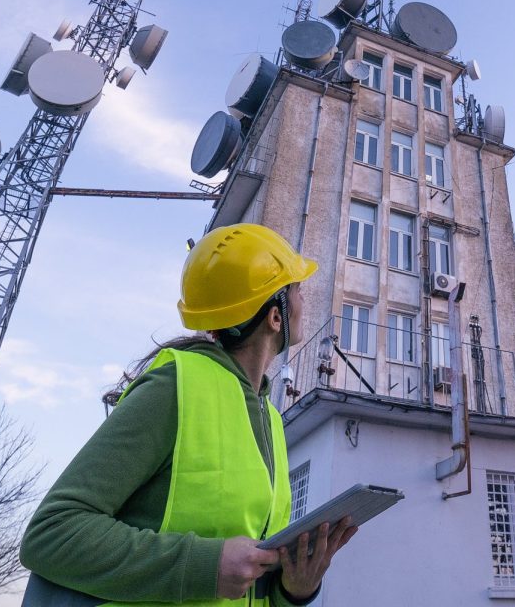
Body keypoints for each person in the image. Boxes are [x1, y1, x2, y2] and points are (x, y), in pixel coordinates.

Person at [20, 223, 356, 606]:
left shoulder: (271, 421)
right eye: (297, 290)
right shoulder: (174, 388)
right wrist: (204, 566)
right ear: (274, 317)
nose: (303, 301)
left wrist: (294, 590)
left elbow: (246, 585)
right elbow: (51, 533)